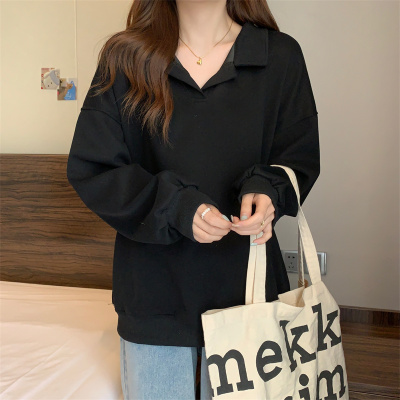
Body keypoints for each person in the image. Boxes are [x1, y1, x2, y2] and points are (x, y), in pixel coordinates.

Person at [66, 0, 320, 398]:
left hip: (248, 292)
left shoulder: (280, 56)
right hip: (154, 296)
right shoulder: (125, 57)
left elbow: (298, 158)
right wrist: (176, 207)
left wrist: (267, 189)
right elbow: (94, 168)